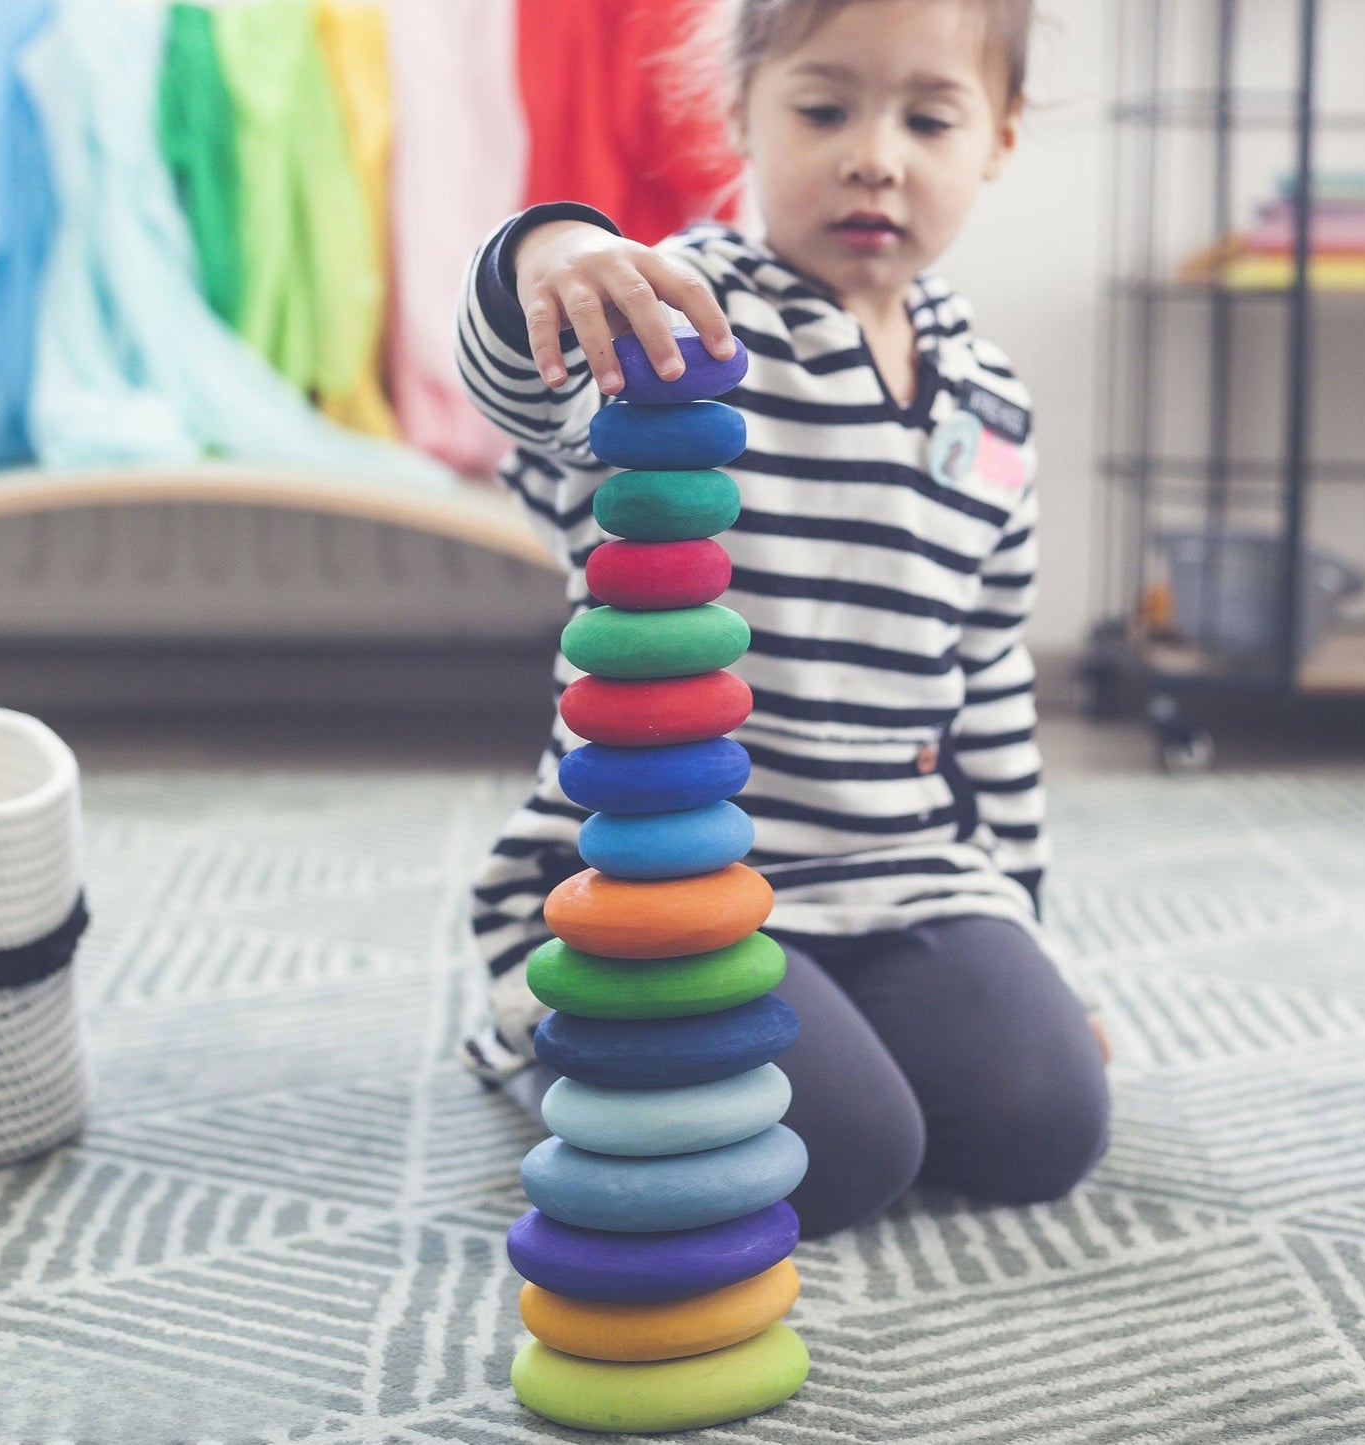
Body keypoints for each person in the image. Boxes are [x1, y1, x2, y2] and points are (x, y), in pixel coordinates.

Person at [456, 0, 1110, 1238]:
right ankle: (556, 1019)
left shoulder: (993, 399)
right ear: (739, 114)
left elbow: (992, 689)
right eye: (823, 108)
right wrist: (545, 254)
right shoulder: (682, 319)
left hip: (901, 872)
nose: (874, 153)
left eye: (928, 117)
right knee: (849, 1153)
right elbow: (513, 386)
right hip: (669, 874)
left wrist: (1027, 929)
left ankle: (859, 1017)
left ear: (999, 139)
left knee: (1044, 1124)